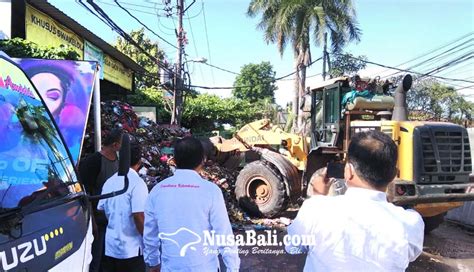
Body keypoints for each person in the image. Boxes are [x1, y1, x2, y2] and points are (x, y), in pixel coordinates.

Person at [286, 130, 424, 271]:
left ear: (349, 171)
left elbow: (292, 246)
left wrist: (316, 197)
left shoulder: (316, 209)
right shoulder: (410, 222)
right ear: (394, 175)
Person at [143, 137, 240, 272]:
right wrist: (232, 268)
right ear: (203, 160)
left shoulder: (157, 191)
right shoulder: (211, 191)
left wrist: (153, 262)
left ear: (174, 161)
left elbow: (149, 234)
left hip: (171, 267)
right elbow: (224, 234)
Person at [98, 144, 148, 272]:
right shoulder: (138, 183)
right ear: (139, 162)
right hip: (131, 250)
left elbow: (102, 208)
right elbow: (138, 216)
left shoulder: (109, 182)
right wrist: (148, 240)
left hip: (111, 247)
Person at [79, 128, 123, 272]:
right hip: (98, 220)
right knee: (95, 259)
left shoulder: (118, 161)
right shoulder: (94, 161)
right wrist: (92, 222)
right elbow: (86, 194)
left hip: (113, 220)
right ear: (115, 145)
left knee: (108, 260)